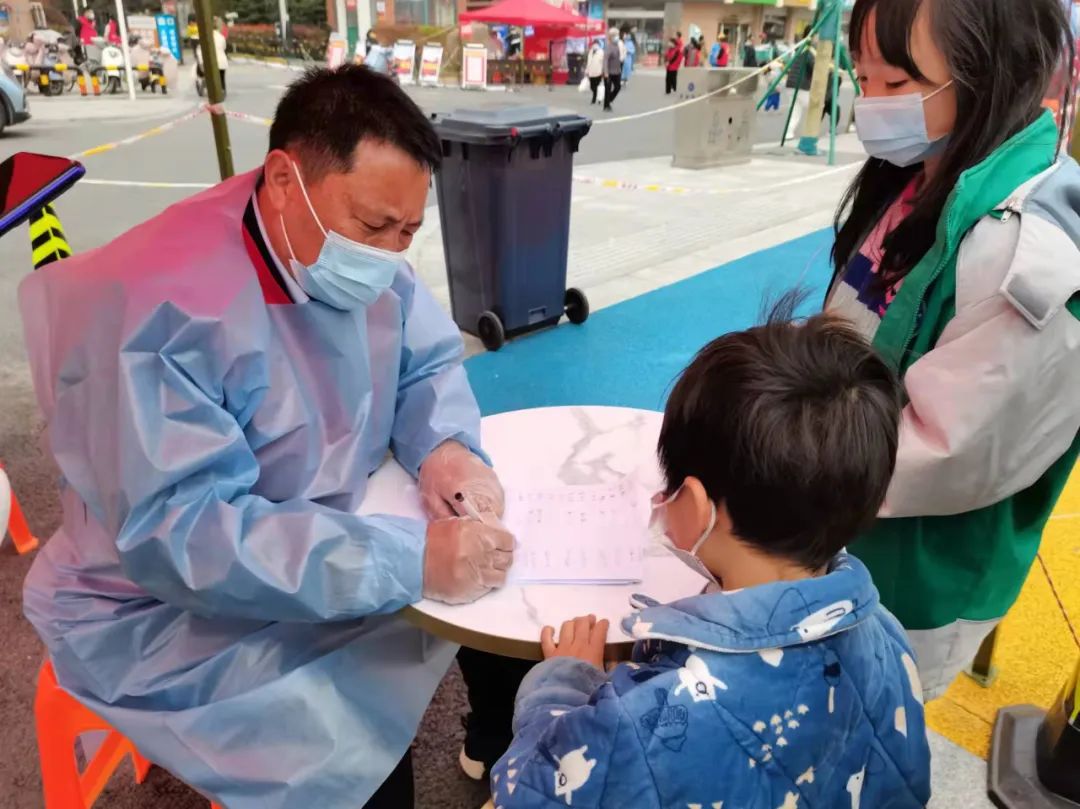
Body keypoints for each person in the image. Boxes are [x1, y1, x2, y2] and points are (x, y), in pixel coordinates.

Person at [19, 66, 514, 809]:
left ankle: (499, 742)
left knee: (491, 579)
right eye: (374, 227)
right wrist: (406, 560)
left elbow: (425, 363)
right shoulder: (157, 311)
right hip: (166, 605)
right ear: (283, 180)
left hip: (321, 526)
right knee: (346, 753)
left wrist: (445, 447)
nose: (390, 254)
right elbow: (187, 535)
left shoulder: (349, 250)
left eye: (409, 231)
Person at [488, 301, 931, 808]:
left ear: (697, 507)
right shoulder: (890, 638)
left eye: (668, 486)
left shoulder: (642, 724)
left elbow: (531, 790)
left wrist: (564, 685)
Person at [829, 0, 1080, 699]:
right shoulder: (920, 177)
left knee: (871, 718)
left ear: (989, 72)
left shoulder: (1024, 254)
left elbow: (949, 451)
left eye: (896, 83)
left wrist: (780, 456)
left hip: (909, 583)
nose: (871, 105)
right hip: (842, 520)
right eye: (862, 78)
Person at [602, 27, 622, 112]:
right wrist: (605, 72)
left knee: (618, 87)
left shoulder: (617, 45)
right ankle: (606, 106)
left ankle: (609, 99)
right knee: (608, 89)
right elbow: (605, 60)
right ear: (611, 36)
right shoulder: (609, 47)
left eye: (618, 34)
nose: (618, 36)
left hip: (617, 71)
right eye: (616, 35)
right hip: (609, 72)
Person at [586, 38, 603, 104]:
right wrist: (587, 71)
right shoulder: (590, 52)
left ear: (598, 44)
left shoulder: (601, 52)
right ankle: (597, 95)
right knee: (592, 87)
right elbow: (588, 62)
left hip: (598, 72)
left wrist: (603, 71)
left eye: (596, 44)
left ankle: (595, 98)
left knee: (597, 86)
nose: (595, 45)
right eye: (594, 43)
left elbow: (604, 62)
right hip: (591, 72)